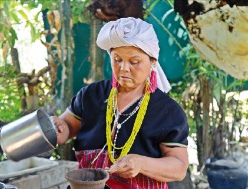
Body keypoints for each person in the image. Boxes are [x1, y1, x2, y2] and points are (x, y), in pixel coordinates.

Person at [52, 17, 189, 189]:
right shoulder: (90, 95)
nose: (124, 68)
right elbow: (66, 128)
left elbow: (179, 167)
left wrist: (141, 163)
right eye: (117, 59)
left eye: (134, 62)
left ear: (153, 61)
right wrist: (58, 127)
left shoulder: (167, 112)